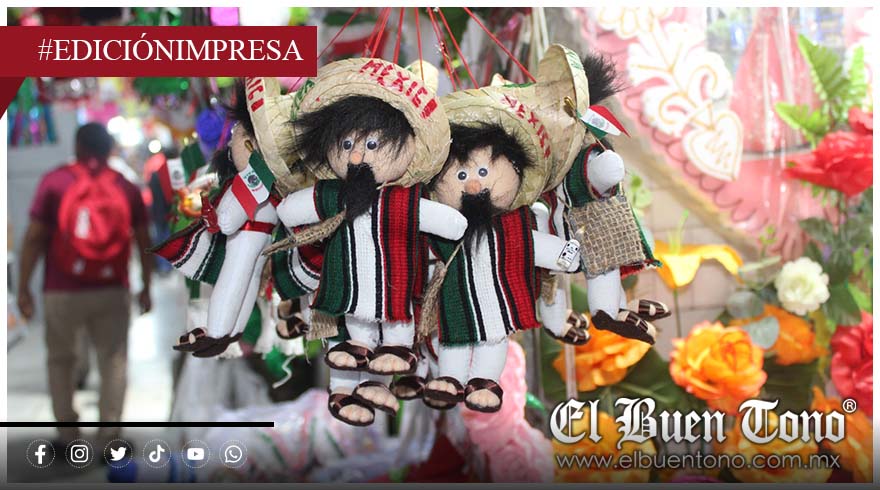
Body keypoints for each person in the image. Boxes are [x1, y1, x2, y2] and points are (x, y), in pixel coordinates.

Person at [16, 122, 153, 447]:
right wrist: (146, 286)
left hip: (61, 288)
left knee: (60, 360)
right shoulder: (125, 186)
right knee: (113, 359)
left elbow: (34, 237)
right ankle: (109, 436)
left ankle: (68, 436)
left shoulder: (55, 181)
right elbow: (144, 240)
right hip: (112, 287)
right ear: (109, 149)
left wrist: (22, 287)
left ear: (76, 147)